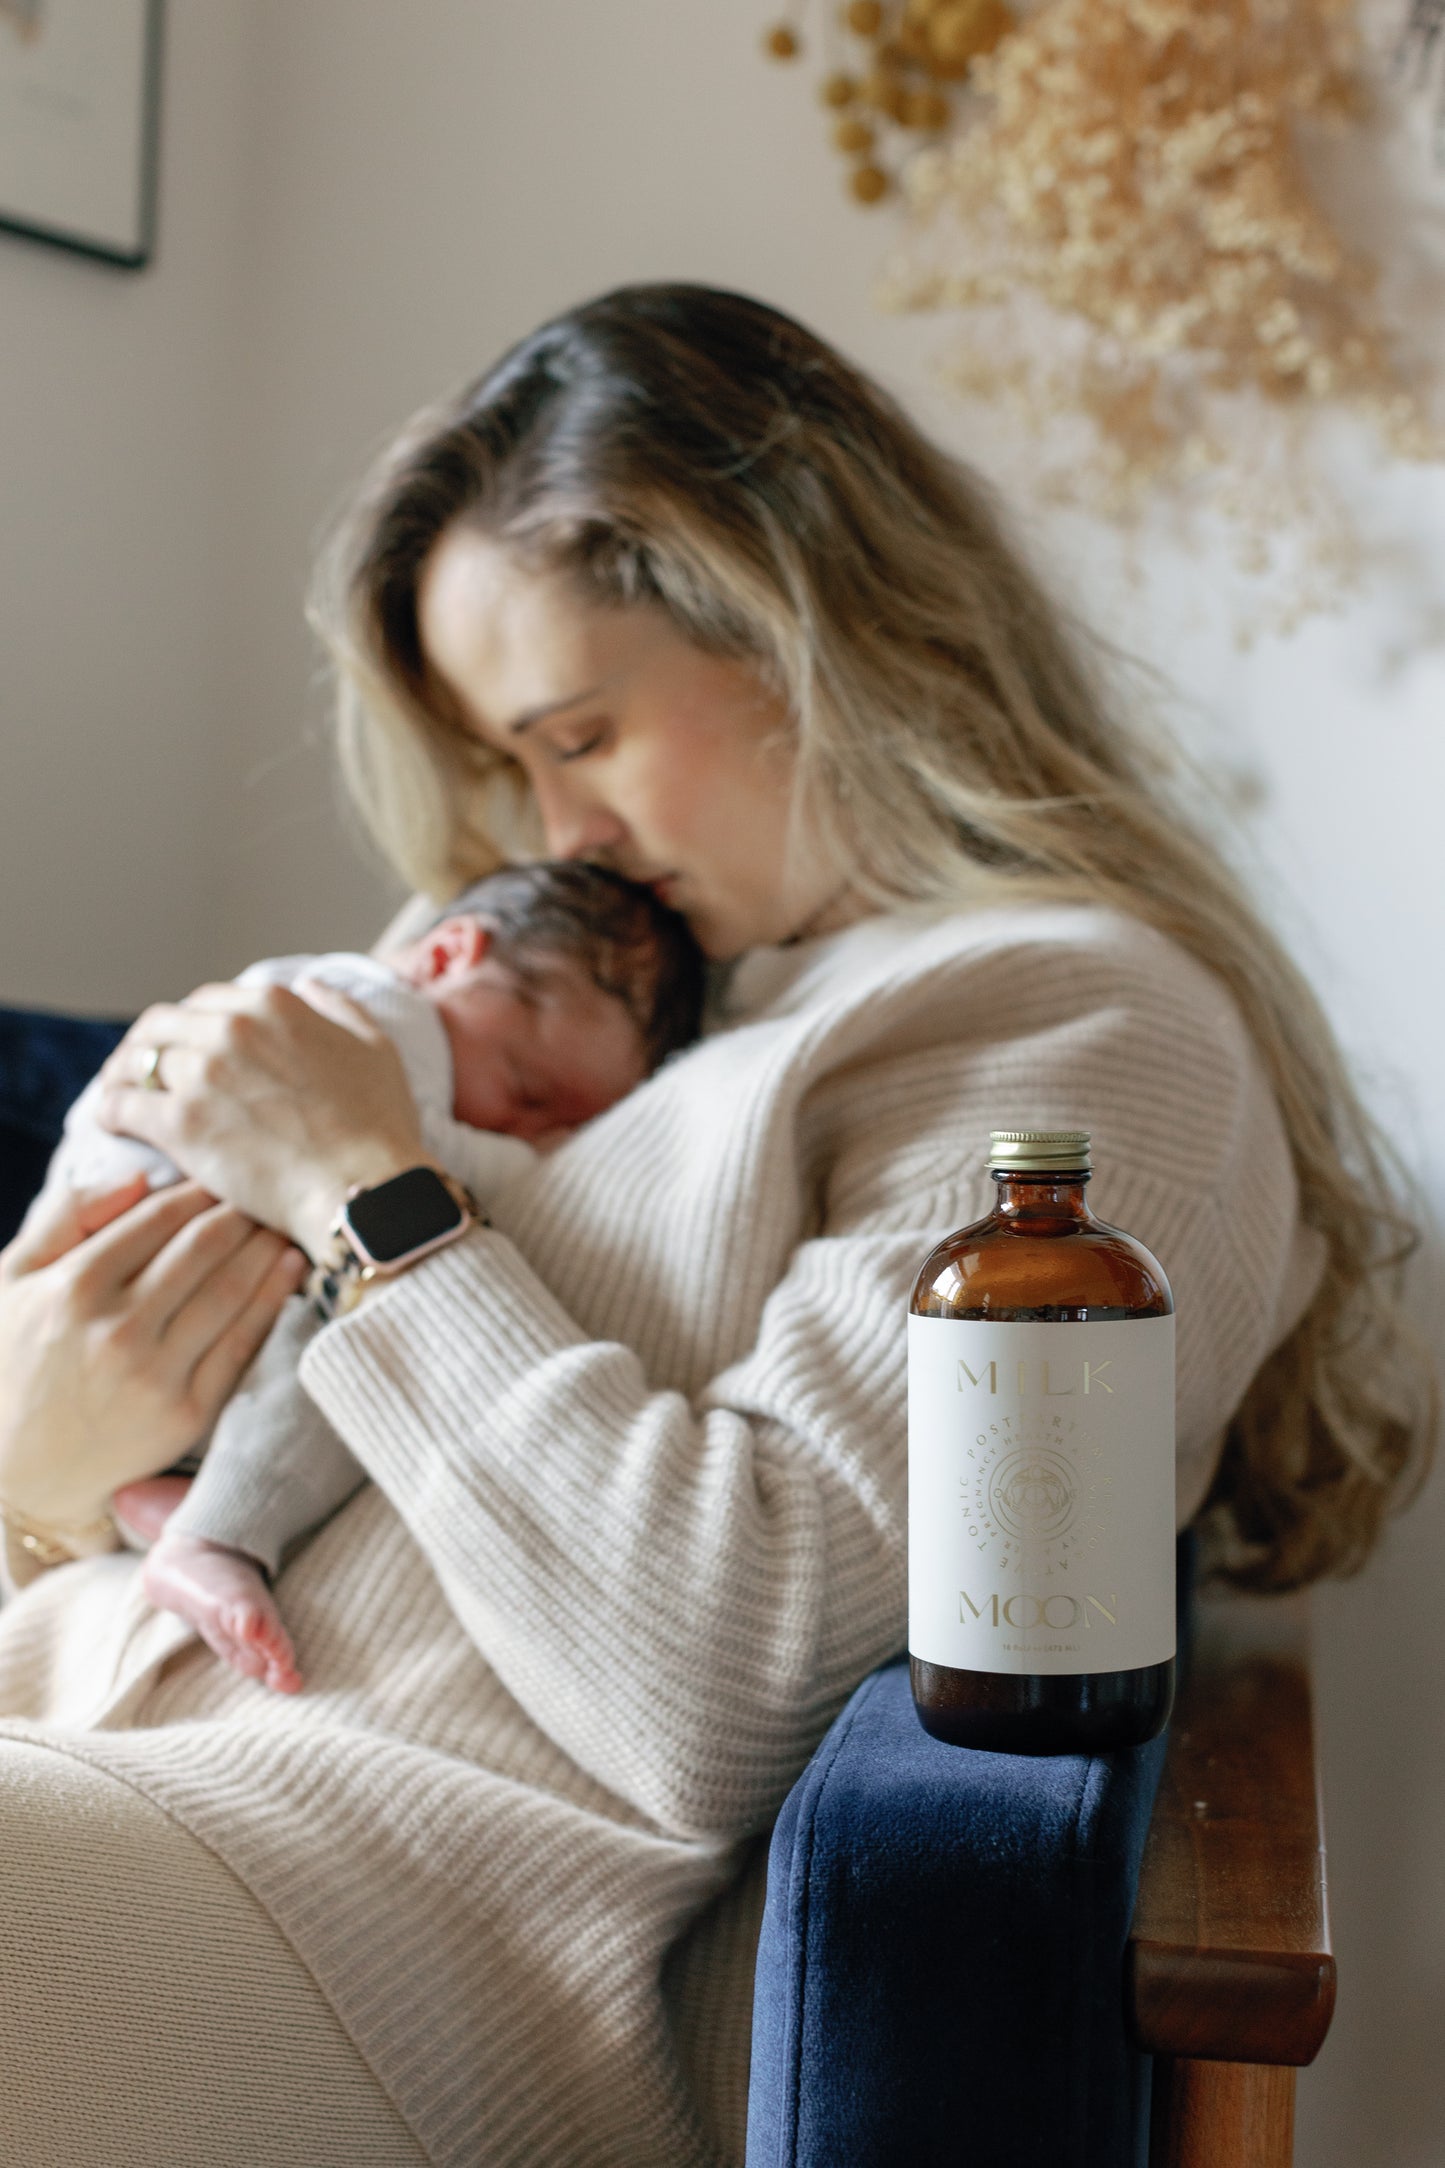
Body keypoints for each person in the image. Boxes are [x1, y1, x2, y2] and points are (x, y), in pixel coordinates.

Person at [0, 285, 1431, 2168]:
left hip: (332, 1913)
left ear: (803, 627)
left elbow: (719, 1676)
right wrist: (35, 1462)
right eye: (515, 767)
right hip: (74, 1743)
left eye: (579, 732)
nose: (557, 832)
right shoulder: (560, 1013)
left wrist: (364, 1194)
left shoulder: (1080, 1026)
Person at [38, 859, 704, 1696]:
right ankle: (216, 1533)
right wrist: (538, 1161)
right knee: (366, 1332)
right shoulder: (365, 1013)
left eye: (562, 1124)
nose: (523, 1128)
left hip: (110, 1256)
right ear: (446, 954)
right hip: (158, 1219)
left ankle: (163, 1497)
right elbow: (397, 1149)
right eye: (525, 1089)